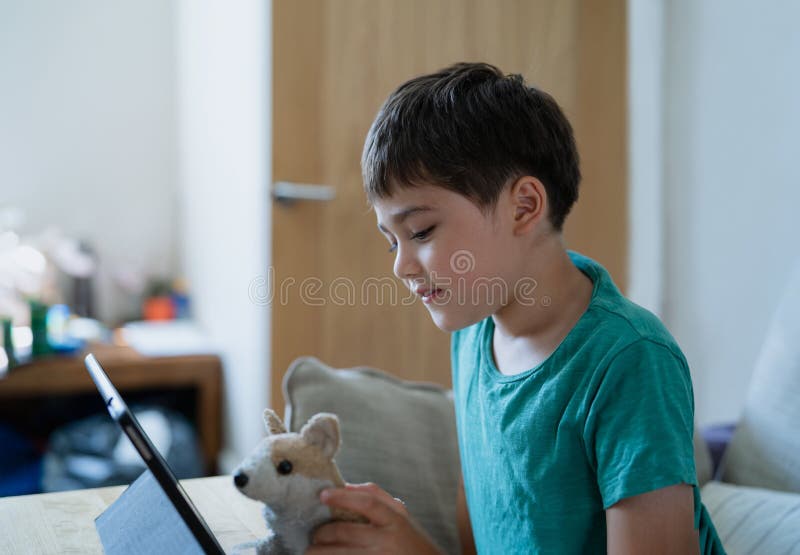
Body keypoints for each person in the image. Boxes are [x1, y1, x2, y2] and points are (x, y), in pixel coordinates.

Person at [307, 62, 726, 554]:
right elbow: (480, 520)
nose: (401, 266)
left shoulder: (631, 360)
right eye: (391, 241)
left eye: (420, 232)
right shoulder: (472, 333)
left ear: (524, 207)